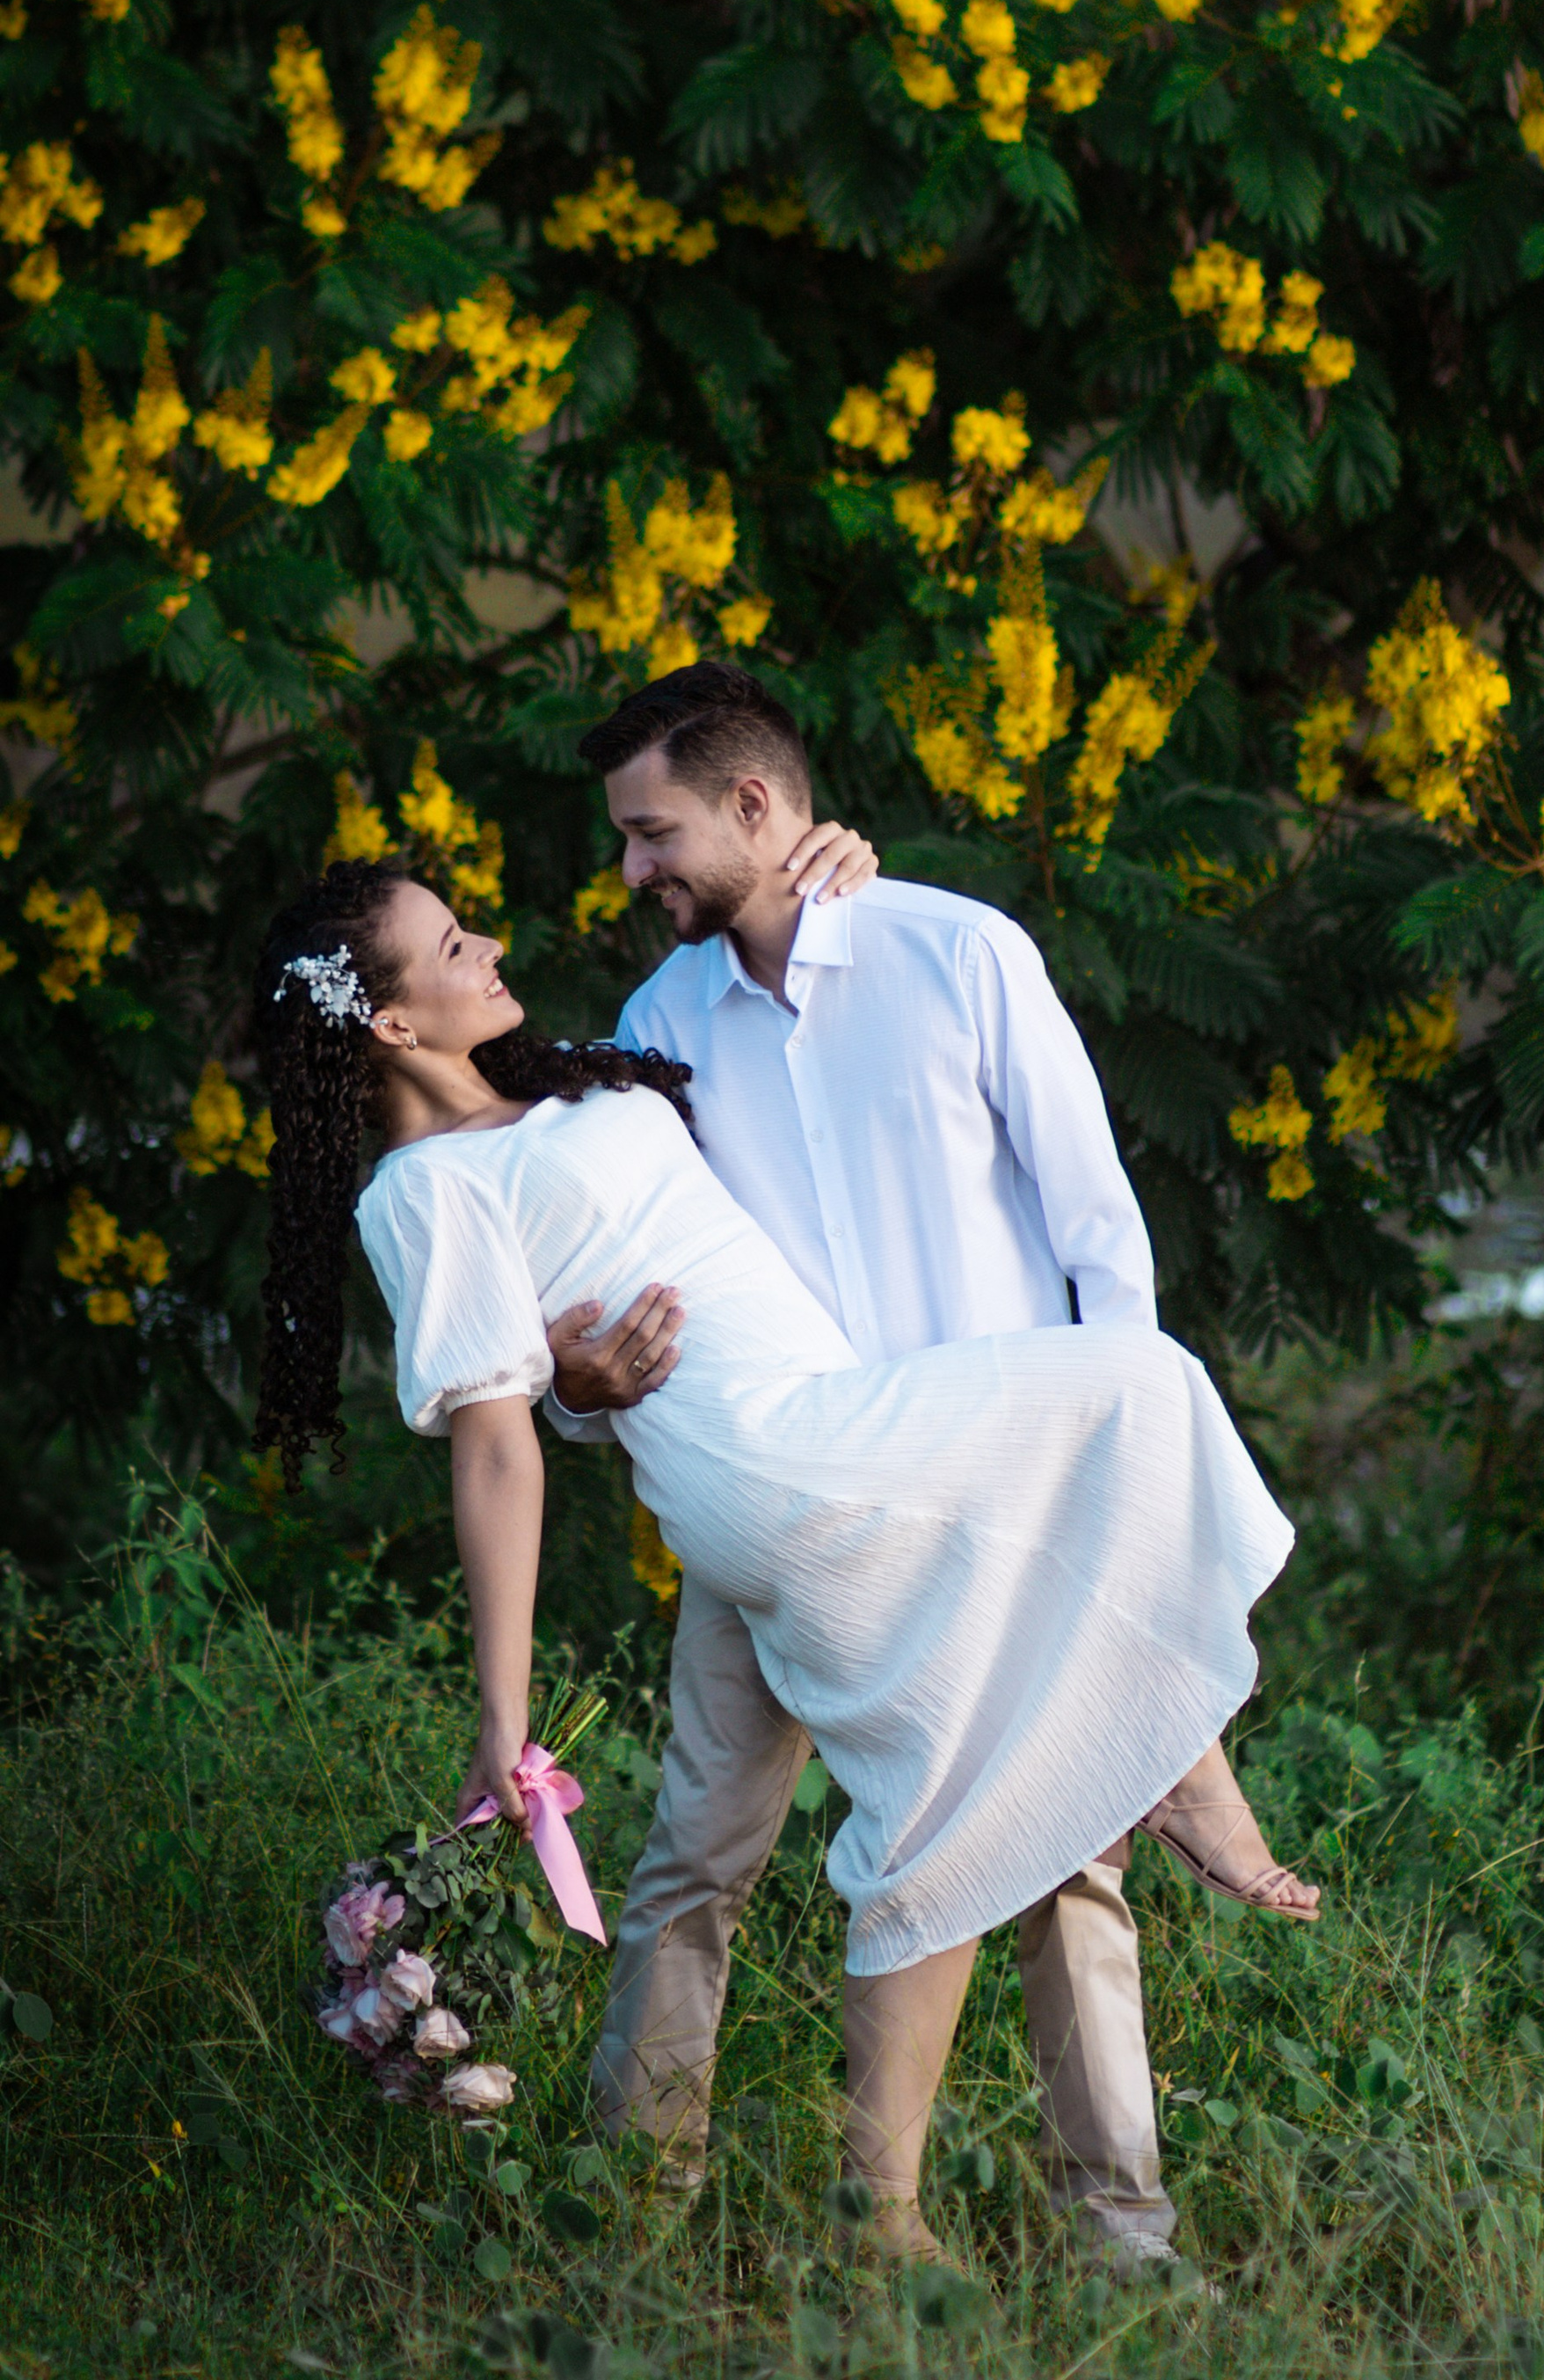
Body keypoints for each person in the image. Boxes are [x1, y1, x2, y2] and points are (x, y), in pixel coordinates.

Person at [251, 854, 1315, 2267]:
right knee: (1139, 1383)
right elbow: (499, 1446)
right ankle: (1182, 1769)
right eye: (452, 943)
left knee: (937, 1799)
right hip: (777, 1455)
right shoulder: (419, 1192)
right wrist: (502, 1719)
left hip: (829, 1429)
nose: (491, 941)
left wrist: (838, 863)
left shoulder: (572, 1078)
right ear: (388, 1024)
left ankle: (878, 2218)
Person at [539, 663, 1203, 2267]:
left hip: (995, 1500)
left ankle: (1118, 2236)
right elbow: (613, 1286)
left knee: (1066, 1860)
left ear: (757, 807)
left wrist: (1119, 1488)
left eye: (656, 832)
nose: (634, 871)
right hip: (778, 1506)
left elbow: (1098, 1232)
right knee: (697, 1851)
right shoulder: (656, 1028)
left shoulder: (958, 951)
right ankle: (634, 2219)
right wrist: (575, 1391)